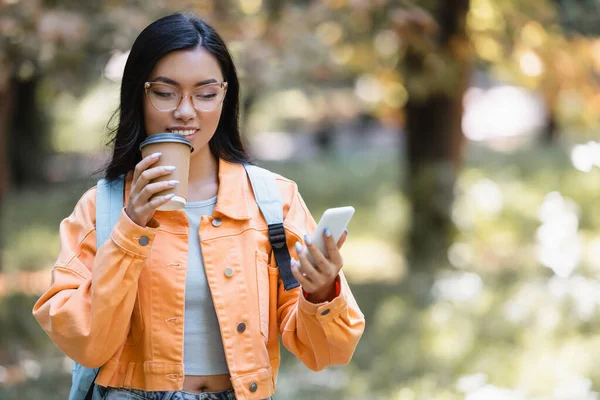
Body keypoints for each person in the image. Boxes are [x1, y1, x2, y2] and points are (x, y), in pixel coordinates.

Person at [32, 12, 365, 400]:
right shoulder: (100, 208)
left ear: (225, 95)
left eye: (206, 94)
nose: (186, 111)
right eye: (165, 92)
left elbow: (327, 351)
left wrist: (321, 291)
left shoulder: (272, 200)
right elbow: (85, 343)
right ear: (138, 95)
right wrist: (131, 225)